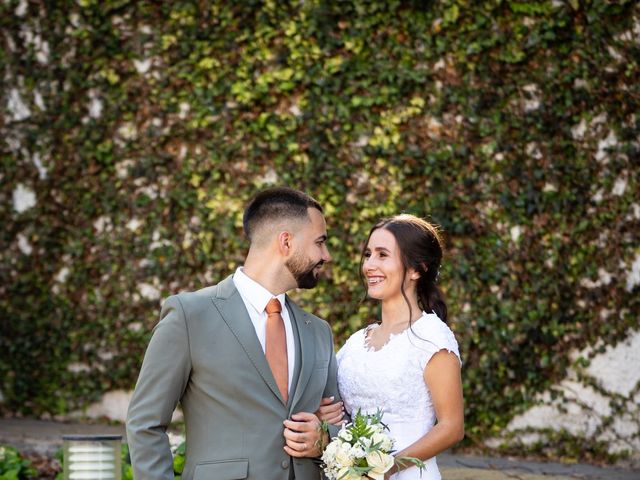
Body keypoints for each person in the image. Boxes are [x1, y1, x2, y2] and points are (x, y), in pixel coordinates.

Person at [126, 187, 342, 480]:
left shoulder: (318, 331)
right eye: (320, 242)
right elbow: (145, 423)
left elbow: (339, 422)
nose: (326, 256)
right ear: (286, 242)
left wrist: (325, 437)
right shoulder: (190, 316)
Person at [317, 214, 464, 480]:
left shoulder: (431, 338)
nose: (369, 265)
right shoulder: (356, 343)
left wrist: (387, 468)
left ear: (416, 269)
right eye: (368, 254)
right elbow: (339, 410)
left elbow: (452, 427)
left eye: (382, 255)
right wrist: (329, 415)